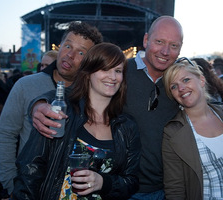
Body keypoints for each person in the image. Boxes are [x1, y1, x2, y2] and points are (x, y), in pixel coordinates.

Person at [30, 16, 223, 200]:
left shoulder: (176, 81)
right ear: (146, 40)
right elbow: (78, 91)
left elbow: (208, 104)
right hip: (123, 187)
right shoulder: (120, 70)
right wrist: (40, 103)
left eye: (174, 45)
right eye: (159, 42)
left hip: (171, 188)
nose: (165, 51)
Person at [12, 42, 140, 200]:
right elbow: (30, 170)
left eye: (118, 71)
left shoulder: (127, 126)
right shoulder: (62, 113)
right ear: (88, 73)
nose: (113, 77)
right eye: (105, 69)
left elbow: (132, 181)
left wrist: (103, 182)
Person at [0, 21, 103, 197]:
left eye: (81, 52)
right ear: (59, 47)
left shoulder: (93, 95)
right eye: (68, 46)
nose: (70, 55)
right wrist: (11, 183)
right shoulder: (25, 85)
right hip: (27, 189)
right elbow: (5, 135)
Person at [162, 58, 223, 199]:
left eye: (186, 80)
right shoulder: (173, 132)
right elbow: (174, 189)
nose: (181, 88)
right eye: (174, 86)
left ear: (201, 80)